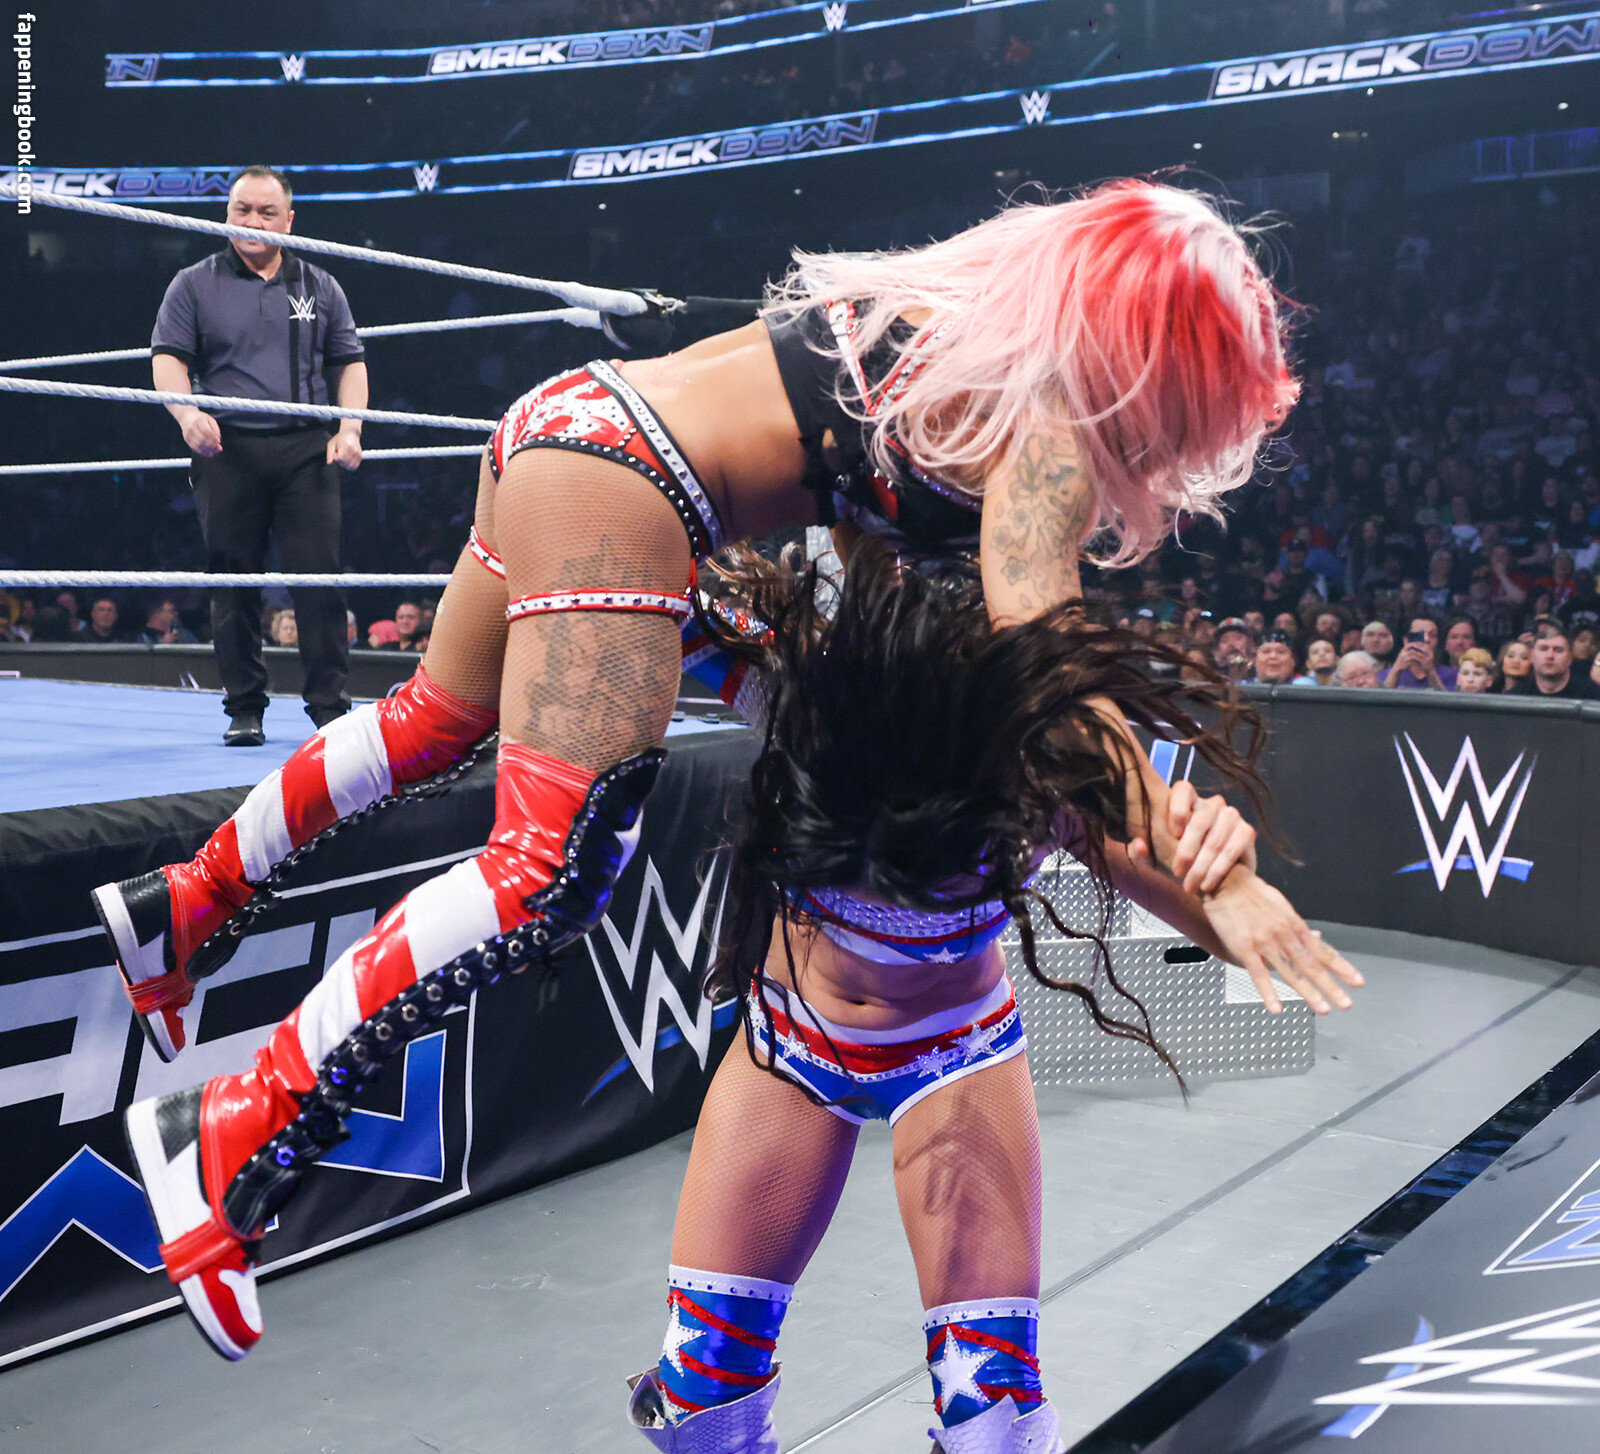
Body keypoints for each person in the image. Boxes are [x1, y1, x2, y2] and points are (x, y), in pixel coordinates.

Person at [93, 179, 1322, 1368]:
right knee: (551, 867)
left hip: (574, 430)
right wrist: (1194, 846)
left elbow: (865, 561)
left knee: (431, 719)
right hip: (628, 490)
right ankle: (232, 1124)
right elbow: (1041, 646)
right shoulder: (1043, 427)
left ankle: (182, 903)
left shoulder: (956, 338)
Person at [626, 552, 1360, 1454]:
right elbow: (627, 577)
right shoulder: (804, 696)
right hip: (792, 1043)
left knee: (994, 1420)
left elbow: (1155, 857)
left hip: (952, 1052)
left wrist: (1227, 886)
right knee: (702, 1389)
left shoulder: (1042, 769)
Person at [151, 164, 367, 746]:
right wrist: (187, 414)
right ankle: (244, 706)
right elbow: (168, 358)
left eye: (267, 212)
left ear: (288, 220)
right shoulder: (192, 283)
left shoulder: (320, 284)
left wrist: (350, 428)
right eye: (242, 209)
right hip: (229, 445)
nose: (253, 221)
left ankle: (330, 709)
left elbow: (349, 363)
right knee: (232, 578)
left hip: (306, 447)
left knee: (318, 576)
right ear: (227, 214)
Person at [1509, 625, 1600, 700]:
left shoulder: (1594, 696)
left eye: (1558, 650)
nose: (1550, 656)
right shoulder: (1514, 698)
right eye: (1544, 649)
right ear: (1532, 656)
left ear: (1569, 658)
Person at [1383, 616, 1456, 690]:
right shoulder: (1385, 674)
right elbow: (1382, 696)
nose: (1426, 639)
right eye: (1420, 635)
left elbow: (1446, 697)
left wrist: (1431, 672)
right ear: (1406, 640)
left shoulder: (1451, 675)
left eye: (1432, 635)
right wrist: (1396, 670)